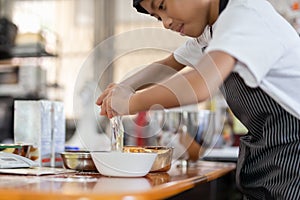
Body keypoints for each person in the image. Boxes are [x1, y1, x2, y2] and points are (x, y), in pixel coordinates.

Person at [96, 0, 300, 199]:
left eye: (162, 6)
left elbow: (200, 83)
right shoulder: (212, 32)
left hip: (292, 154)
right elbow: (166, 66)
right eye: (158, 17)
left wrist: (131, 102)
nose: (166, 23)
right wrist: (123, 87)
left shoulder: (244, 14)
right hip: (268, 155)